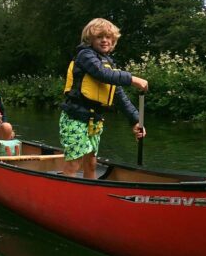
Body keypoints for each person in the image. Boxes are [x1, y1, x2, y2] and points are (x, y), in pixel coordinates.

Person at [60, 18, 148, 178]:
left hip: (94, 121)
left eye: (108, 37)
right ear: (90, 39)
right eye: (100, 37)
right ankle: (66, 198)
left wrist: (136, 120)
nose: (105, 40)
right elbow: (102, 73)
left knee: (92, 164)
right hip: (75, 118)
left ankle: (89, 197)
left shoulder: (109, 64)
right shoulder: (85, 55)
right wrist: (133, 79)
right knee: (74, 162)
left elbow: (119, 96)